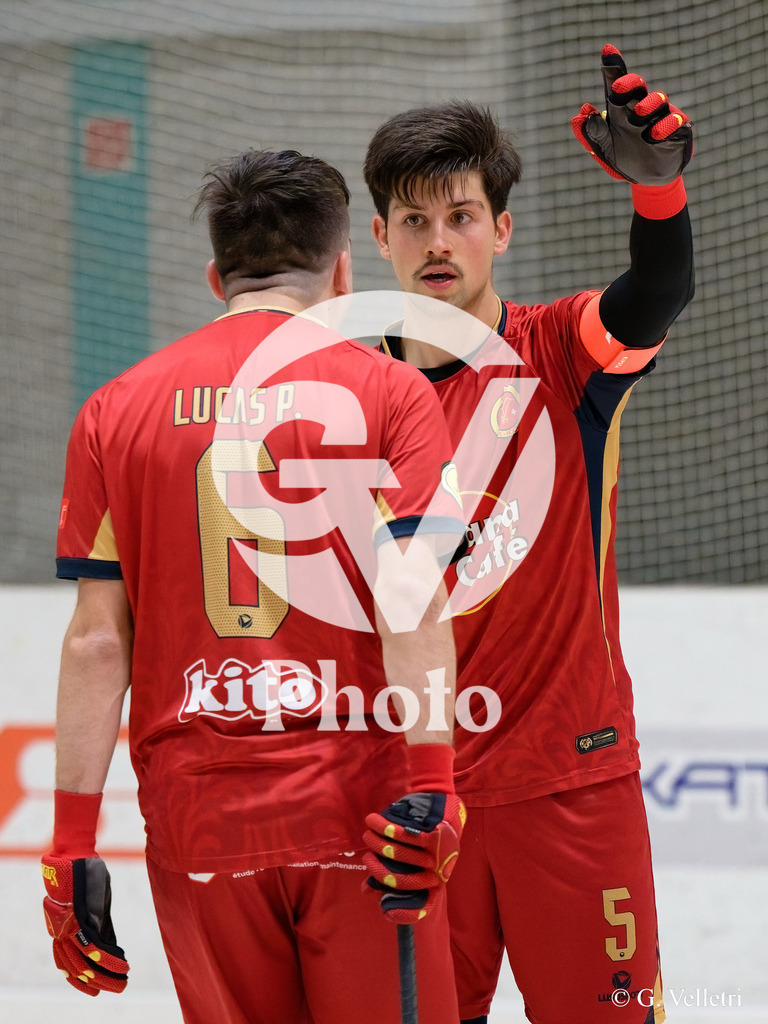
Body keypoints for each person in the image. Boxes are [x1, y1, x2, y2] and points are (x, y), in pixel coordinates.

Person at [42, 148, 467, 1024]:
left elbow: (96, 639)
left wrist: (73, 844)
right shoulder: (390, 393)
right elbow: (412, 598)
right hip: (364, 812)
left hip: (200, 815)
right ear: (343, 269)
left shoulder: (115, 409)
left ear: (215, 275)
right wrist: (435, 782)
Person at [362, 45, 694, 1024]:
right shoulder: (345, 405)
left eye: (460, 215)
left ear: (500, 230)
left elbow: (656, 297)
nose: (438, 239)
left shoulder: (563, 351)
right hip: (420, 800)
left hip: (573, 785)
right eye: (414, 219)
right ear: (379, 237)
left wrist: (663, 199)